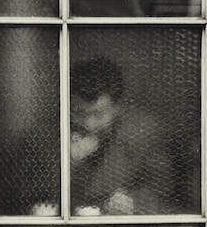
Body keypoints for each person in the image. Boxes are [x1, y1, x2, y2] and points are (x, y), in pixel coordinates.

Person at [68, 57, 178, 216]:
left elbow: (163, 187)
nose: (88, 124)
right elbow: (31, 193)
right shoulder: (50, 133)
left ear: (117, 107)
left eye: (99, 114)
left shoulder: (144, 132)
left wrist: (132, 201)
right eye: (79, 113)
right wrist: (70, 163)